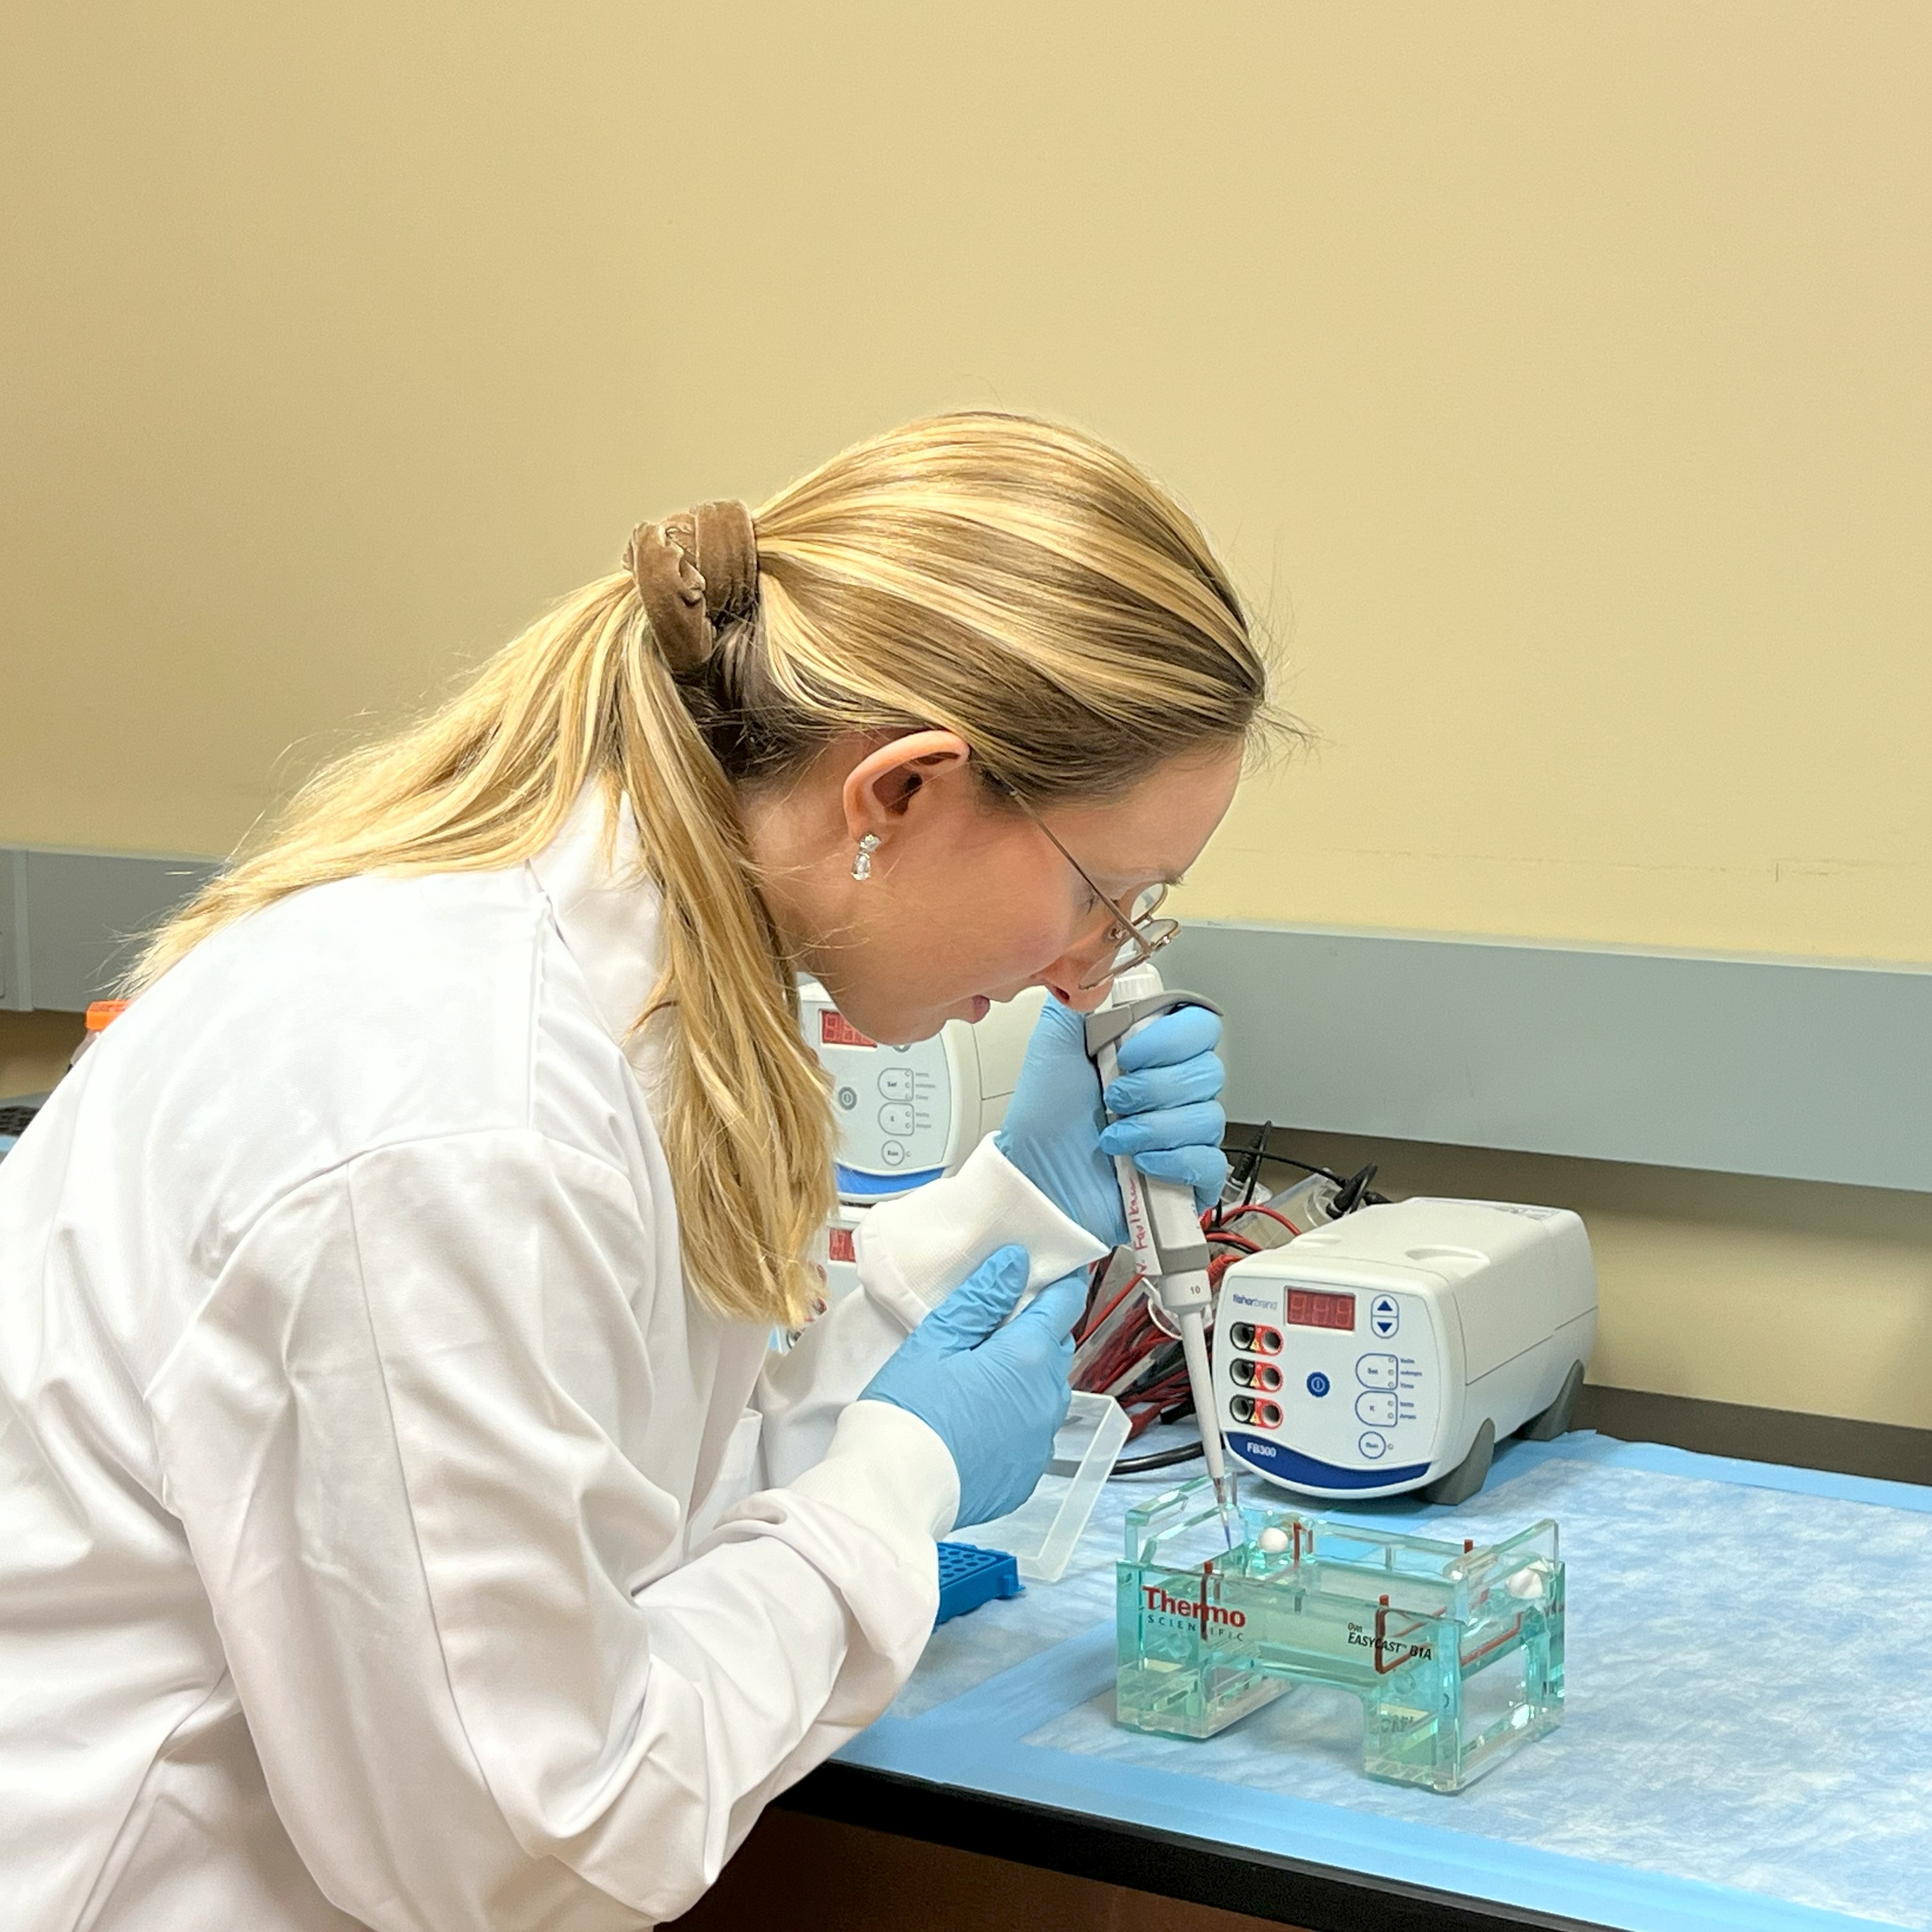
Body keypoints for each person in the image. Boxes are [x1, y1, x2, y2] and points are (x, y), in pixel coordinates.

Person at [0, 413, 1274, 1929]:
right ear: (902, 793)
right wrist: (898, 1482)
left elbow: (619, 1453)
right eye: (1106, 891)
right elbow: (536, 1845)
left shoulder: (637, 984)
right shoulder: (459, 1111)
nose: (1097, 967)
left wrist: (1022, 1205)